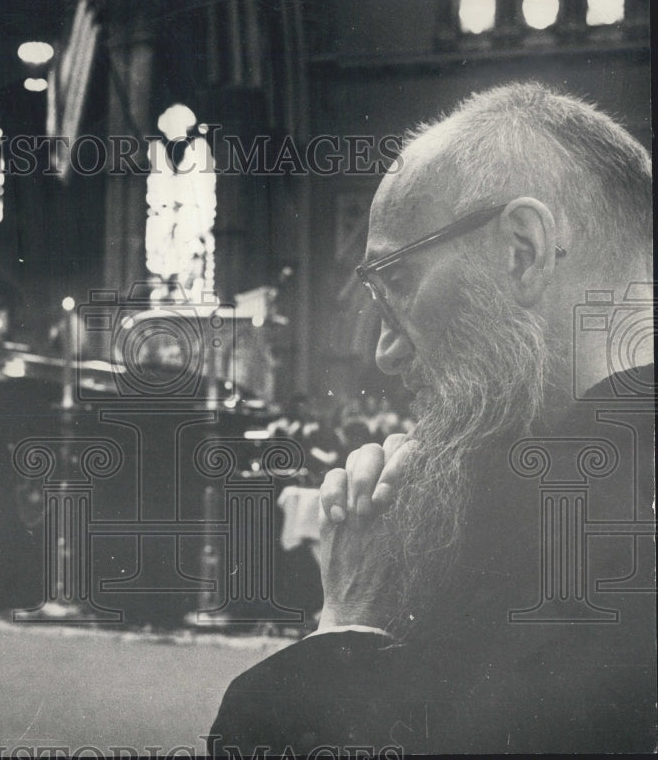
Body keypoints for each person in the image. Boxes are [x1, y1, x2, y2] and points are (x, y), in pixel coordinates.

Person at [208, 83, 655, 755]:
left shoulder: (572, 531)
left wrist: (348, 627)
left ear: (522, 252)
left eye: (399, 286)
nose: (386, 354)